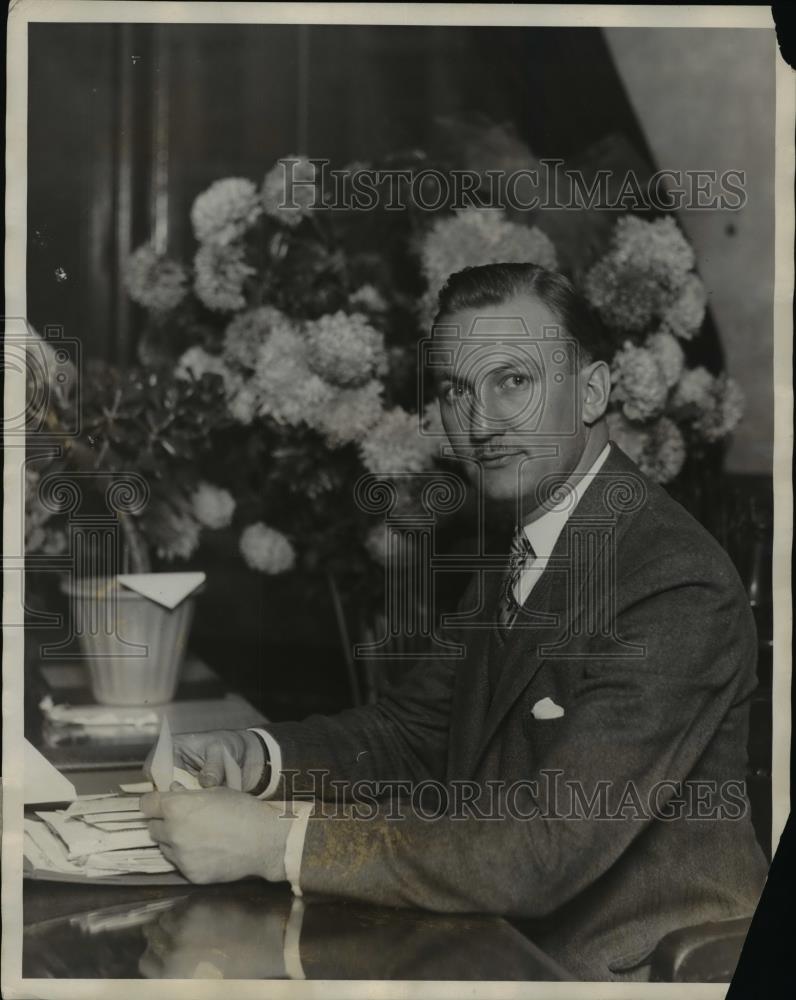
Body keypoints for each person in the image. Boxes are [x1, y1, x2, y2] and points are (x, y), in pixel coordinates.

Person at [142, 263, 768, 981]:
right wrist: (262, 757)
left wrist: (278, 842)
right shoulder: (532, 543)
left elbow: (543, 845)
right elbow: (411, 735)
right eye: (457, 391)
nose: (480, 423)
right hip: (496, 947)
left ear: (593, 391)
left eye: (513, 382)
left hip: (624, 976)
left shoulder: (674, 581)